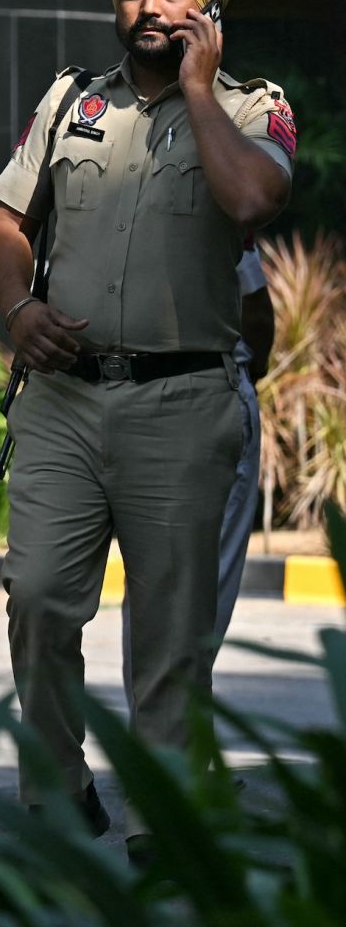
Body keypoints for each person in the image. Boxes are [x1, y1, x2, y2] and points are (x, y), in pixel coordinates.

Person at [0, 0, 295, 854]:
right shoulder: (73, 99)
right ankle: (59, 789)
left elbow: (250, 198)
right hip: (66, 403)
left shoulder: (253, 108)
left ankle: (166, 814)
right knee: (36, 597)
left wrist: (199, 89)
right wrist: (17, 309)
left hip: (183, 407)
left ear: (209, 5)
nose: (151, 6)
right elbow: (6, 223)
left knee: (169, 636)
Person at [121, 243, 275, 712]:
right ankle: (172, 757)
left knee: (160, 588)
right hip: (207, 393)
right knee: (193, 585)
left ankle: (168, 750)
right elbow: (256, 304)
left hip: (134, 395)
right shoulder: (210, 187)